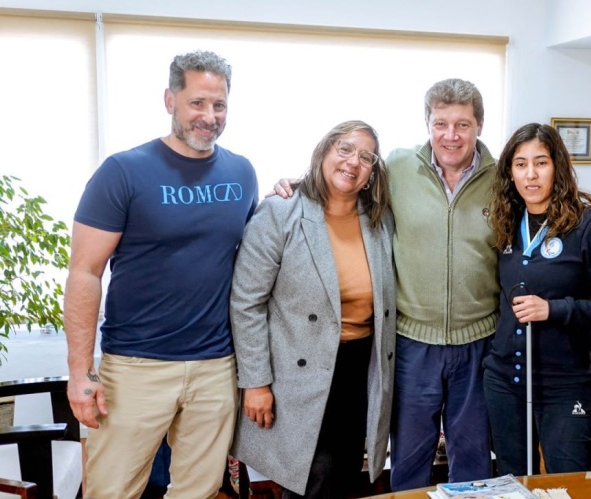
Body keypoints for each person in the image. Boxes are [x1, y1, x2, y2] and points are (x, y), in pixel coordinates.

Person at [273, 78, 497, 490]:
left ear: (479, 126)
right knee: (409, 460)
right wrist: (296, 185)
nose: (451, 135)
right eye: (441, 123)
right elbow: (344, 186)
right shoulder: (396, 166)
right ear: (427, 124)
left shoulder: (501, 179)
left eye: (462, 124)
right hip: (411, 342)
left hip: (478, 343)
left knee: (473, 459)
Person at [64, 50, 258, 498]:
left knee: (200, 491)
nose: (209, 117)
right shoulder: (123, 171)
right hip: (135, 366)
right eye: (197, 103)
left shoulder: (242, 172)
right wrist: (80, 372)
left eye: (219, 105)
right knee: (112, 491)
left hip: (215, 366)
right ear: (170, 100)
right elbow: (84, 273)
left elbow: (253, 260)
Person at [229, 120, 395, 498]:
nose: (354, 162)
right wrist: (255, 381)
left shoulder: (379, 219)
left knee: (345, 474)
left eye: (366, 157)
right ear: (324, 151)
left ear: (372, 173)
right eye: (345, 149)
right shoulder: (280, 212)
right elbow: (246, 302)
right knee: (310, 478)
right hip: (298, 371)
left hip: (359, 368)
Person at [484, 123, 591, 476]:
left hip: (563, 385)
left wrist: (554, 309)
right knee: (513, 485)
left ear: (558, 167)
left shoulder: (589, 225)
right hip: (504, 381)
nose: (531, 175)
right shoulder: (504, 221)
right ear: (509, 171)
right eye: (520, 164)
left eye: (541, 162)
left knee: (570, 484)